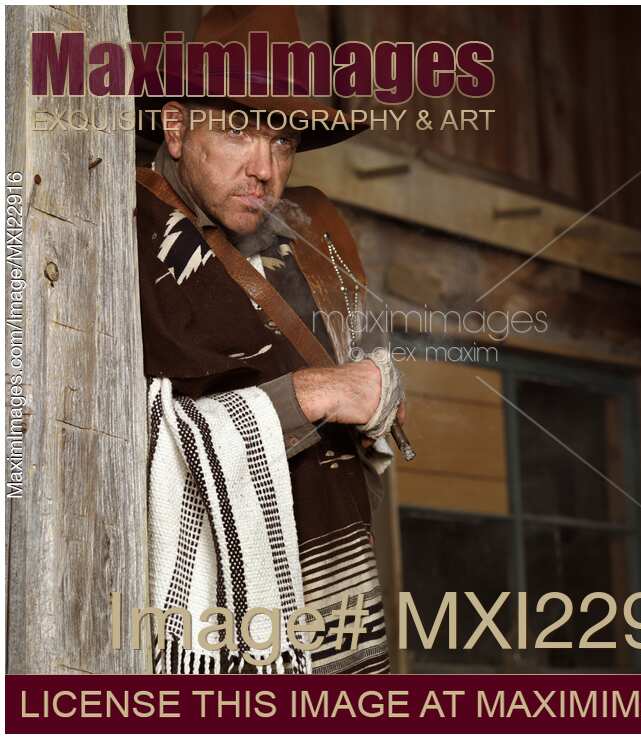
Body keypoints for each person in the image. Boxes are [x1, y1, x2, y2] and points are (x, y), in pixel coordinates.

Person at [136, 6, 403, 676]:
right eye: (238, 130)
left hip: (332, 592)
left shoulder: (306, 237)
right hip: (196, 624)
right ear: (175, 126)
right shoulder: (120, 233)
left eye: (283, 141)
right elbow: (124, 431)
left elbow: (368, 374)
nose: (267, 168)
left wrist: (379, 391)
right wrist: (317, 393)